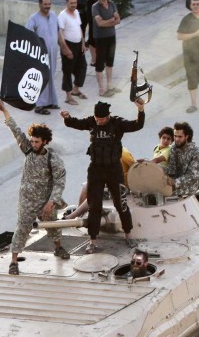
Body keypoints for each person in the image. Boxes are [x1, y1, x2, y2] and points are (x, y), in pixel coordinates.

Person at [61, 99, 144, 252]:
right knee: (94, 205)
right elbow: (76, 123)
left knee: (121, 203)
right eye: (97, 119)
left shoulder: (117, 123)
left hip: (114, 170)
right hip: (96, 170)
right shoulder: (92, 122)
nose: (99, 122)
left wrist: (140, 109)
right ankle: (92, 240)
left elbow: (137, 125)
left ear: (108, 116)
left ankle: (128, 235)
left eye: (102, 119)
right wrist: (66, 118)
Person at [0, 100, 69, 276]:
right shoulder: (28, 149)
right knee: (22, 228)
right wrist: (5, 110)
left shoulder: (53, 160)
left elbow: (60, 181)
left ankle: (58, 248)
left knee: (52, 226)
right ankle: (14, 262)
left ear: (45, 141)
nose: (33, 143)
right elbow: (15, 130)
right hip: (27, 201)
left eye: (37, 141)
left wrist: (52, 202)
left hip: (45, 201)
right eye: (32, 140)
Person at [26, 0, 61, 115]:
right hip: (40, 53)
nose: (47, 6)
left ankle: (50, 101)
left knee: (50, 76)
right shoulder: (33, 18)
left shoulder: (54, 16)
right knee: (41, 78)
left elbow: (58, 33)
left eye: (49, 4)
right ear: (40, 5)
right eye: (45, 4)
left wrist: (65, 48)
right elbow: (28, 35)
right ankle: (39, 105)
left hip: (53, 52)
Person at [92, 0, 121, 97]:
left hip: (111, 37)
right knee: (100, 64)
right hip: (100, 38)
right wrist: (111, 20)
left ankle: (110, 85)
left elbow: (118, 20)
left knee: (110, 62)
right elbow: (100, 23)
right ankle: (101, 89)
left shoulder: (112, 4)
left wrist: (107, 22)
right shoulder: (95, 7)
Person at [58, 0, 88, 106]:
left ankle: (76, 90)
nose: (74, 5)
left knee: (82, 67)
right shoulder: (62, 15)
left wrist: (83, 43)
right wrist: (66, 49)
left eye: (75, 3)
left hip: (78, 44)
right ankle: (68, 96)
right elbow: (60, 33)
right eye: (71, 3)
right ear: (67, 3)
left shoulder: (76, 13)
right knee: (67, 71)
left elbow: (80, 28)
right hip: (68, 45)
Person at [82, 0, 112, 67]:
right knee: (93, 33)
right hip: (92, 7)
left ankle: (102, 56)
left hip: (103, 5)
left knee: (104, 30)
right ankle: (94, 60)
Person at [165, 121, 199, 196]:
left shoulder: (197, 153)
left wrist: (175, 182)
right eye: (175, 136)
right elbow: (171, 170)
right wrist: (153, 167)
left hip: (188, 189)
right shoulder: (174, 148)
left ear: (187, 136)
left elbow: (193, 177)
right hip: (173, 185)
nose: (176, 139)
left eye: (180, 137)